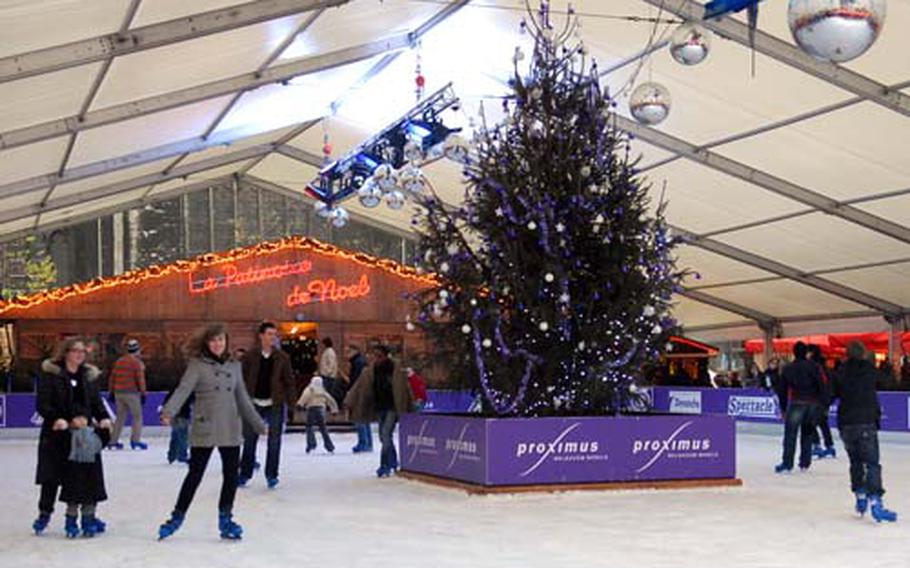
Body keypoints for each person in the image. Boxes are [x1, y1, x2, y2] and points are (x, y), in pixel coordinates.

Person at [157, 323, 267, 541]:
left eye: (221, 340)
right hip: (205, 426)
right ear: (207, 343)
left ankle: (225, 518)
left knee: (230, 475)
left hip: (229, 427)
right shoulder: (197, 365)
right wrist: (169, 411)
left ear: (226, 342)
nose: (217, 344)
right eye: (213, 340)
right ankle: (177, 517)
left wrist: (259, 425)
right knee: (195, 474)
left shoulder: (234, 366)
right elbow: (183, 389)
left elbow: (243, 398)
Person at [33, 337, 112, 538]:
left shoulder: (88, 376)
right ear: (65, 352)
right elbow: (43, 404)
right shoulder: (51, 375)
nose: (80, 355)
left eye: (83, 352)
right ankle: (44, 513)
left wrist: (103, 418)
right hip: (57, 434)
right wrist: (61, 419)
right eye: (75, 351)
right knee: (51, 477)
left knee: (84, 476)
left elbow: (96, 403)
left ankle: (88, 515)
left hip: (82, 437)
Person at [831, 341, 897, 522]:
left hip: (847, 424)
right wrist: (887, 366)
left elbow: (830, 394)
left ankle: (860, 496)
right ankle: (875, 501)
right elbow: (887, 381)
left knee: (855, 462)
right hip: (866, 422)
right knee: (872, 463)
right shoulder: (869, 370)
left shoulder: (841, 373)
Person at [238, 322, 295, 489]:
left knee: (274, 440)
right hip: (253, 403)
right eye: (269, 334)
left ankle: (272, 475)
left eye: (274, 334)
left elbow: (289, 382)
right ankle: (244, 474)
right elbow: (240, 380)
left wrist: (291, 404)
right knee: (250, 439)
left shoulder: (283, 358)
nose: (272, 337)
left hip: (274, 403)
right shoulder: (249, 357)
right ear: (261, 336)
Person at [346, 346, 414, 477]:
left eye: (379, 356)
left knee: (386, 434)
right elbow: (358, 387)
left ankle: (384, 465)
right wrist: (349, 400)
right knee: (384, 438)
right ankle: (393, 462)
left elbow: (406, 388)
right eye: (374, 355)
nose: (376, 358)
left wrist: (410, 405)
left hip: (393, 407)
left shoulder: (396, 369)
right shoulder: (370, 371)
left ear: (386, 356)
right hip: (380, 406)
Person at [775, 342, 825, 473]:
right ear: (806, 353)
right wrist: (821, 403)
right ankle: (804, 462)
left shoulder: (788, 368)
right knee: (807, 433)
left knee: (790, 434)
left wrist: (783, 408)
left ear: (794, 353)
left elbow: (782, 390)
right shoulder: (814, 367)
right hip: (812, 403)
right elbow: (822, 385)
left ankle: (787, 463)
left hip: (797, 401)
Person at [108, 338, 148, 450]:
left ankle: (113, 441)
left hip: (118, 393)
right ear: (137, 350)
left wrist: (111, 391)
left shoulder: (119, 361)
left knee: (120, 417)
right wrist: (143, 393)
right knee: (137, 417)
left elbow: (112, 377)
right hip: (132, 393)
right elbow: (140, 379)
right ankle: (135, 440)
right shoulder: (137, 363)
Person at [807, 344, 836, 459]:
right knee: (823, 423)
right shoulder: (823, 367)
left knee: (810, 422)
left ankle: (817, 445)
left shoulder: (814, 367)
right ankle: (829, 446)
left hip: (816, 399)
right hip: (824, 400)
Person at [297, 376, 338, 453]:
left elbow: (305, 396)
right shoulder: (323, 391)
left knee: (309, 427)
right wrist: (334, 410)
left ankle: (311, 444)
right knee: (323, 428)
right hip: (321, 409)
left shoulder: (310, 389)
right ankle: (329, 446)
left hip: (311, 409)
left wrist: (300, 404)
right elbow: (331, 400)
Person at [345, 344, 372, 452]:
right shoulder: (360, 362)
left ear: (355, 350)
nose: (347, 353)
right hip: (364, 392)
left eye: (348, 350)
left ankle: (363, 442)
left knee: (359, 417)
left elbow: (357, 380)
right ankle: (367, 442)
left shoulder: (358, 363)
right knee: (364, 419)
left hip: (359, 393)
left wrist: (352, 392)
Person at [163, 380, 193, 465]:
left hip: (174, 415)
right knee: (183, 436)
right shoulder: (188, 391)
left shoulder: (173, 391)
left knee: (175, 435)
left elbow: (166, 401)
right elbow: (193, 400)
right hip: (183, 415)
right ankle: (182, 455)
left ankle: (171, 455)